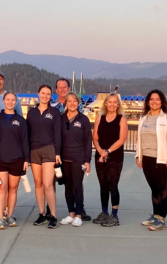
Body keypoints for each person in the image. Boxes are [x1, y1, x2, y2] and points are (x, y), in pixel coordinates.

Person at [135, 89, 167, 231]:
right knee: (154, 189)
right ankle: (155, 215)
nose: (154, 102)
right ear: (148, 102)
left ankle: (161, 219)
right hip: (146, 158)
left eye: (157, 99)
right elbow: (139, 139)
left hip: (161, 159)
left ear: (162, 102)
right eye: (152, 99)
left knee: (163, 189)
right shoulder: (144, 118)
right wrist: (138, 156)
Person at [27, 84, 63, 229]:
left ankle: (53, 215)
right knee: (38, 183)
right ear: (38, 94)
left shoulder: (54, 112)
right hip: (34, 150)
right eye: (43, 93)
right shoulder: (31, 113)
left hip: (49, 149)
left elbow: (57, 134)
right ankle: (42, 213)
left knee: (48, 184)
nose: (45, 96)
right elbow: (27, 134)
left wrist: (57, 152)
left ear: (51, 96)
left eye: (48, 94)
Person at [0, 91, 29, 229]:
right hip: (1, 158)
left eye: (13, 100)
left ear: (16, 102)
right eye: (7, 99)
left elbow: (25, 141)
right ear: (3, 101)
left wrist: (26, 159)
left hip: (17, 158)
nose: (10, 102)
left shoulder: (21, 120)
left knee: (13, 189)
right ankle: (0, 218)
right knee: (2, 188)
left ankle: (10, 215)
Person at [92, 92, 127, 227]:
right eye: (110, 102)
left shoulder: (121, 119)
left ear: (118, 105)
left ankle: (114, 215)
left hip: (115, 157)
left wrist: (108, 151)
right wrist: (100, 150)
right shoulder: (99, 118)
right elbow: (95, 137)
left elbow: (122, 139)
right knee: (103, 186)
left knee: (113, 185)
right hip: (100, 156)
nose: (112, 104)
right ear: (105, 104)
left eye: (114, 102)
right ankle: (104, 213)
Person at [60, 92, 92, 226]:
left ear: (78, 103)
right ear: (65, 103)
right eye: (69, 101)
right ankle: (71, 214)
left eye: (75, 101)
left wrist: (87, 160)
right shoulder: (61, 119)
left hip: (79, 158)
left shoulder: (83, 119)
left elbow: (88, 141)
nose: (72, 103)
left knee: (77, 186)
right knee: (68, 187)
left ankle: (79, 215)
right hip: (64, 158)